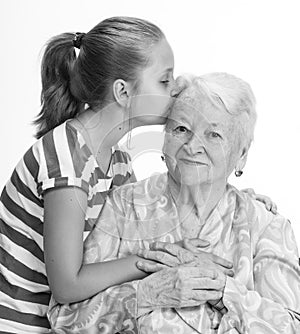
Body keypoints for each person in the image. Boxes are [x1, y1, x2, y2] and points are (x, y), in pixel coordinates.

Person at [0, 16, 275, 333]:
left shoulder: (116, 159)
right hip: (21, 325)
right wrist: (152, 263)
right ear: (123, 92)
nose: (174, 90)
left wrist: (236, 199)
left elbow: (140, 226)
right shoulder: (68, 160)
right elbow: (67, 285)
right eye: (164, 81)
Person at [48, 73, 300, 333]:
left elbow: (292, 325)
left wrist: (223, 291)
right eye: (181, 129)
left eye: (213, 134)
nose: (193, 146)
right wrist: (145, 294)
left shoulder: (266, 226)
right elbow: (63, 318)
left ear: (242, 155)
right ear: (164, 137)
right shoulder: (122, 206)